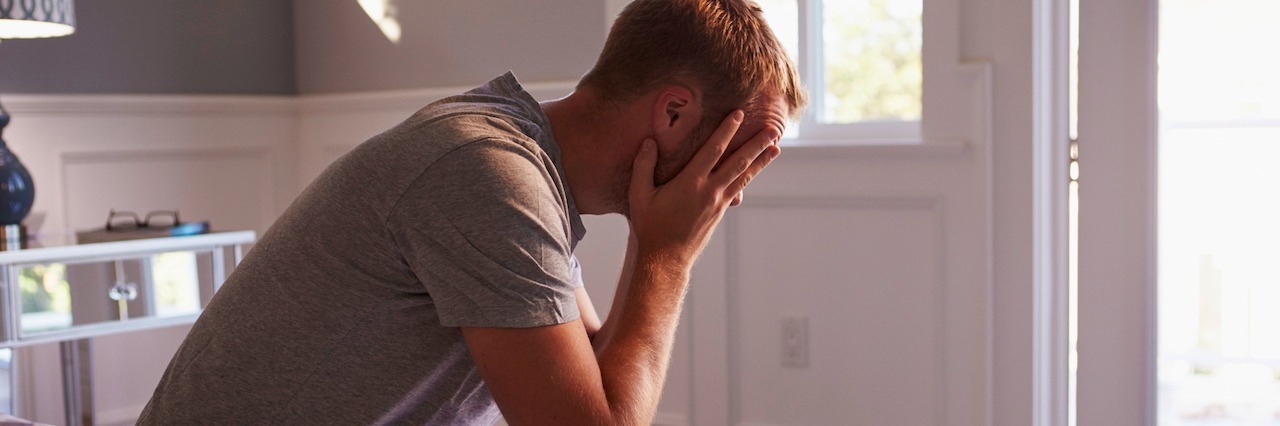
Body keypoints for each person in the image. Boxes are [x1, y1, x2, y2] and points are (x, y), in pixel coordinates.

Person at [138, 0, 805, 424]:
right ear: (673, 111)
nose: (732, 190)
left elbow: (595, 380)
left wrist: (656, 243)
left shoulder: (523, 161)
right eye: (738, 155)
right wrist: (668, 255)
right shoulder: (488, 175)